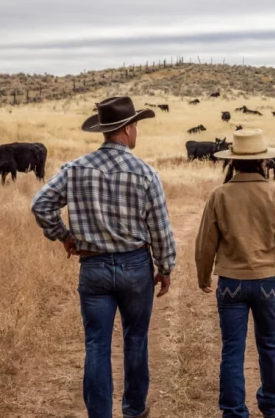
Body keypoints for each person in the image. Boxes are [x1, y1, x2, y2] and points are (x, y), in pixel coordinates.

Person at [31, 96, 176, 418]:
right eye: (135, 125)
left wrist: (65, 236)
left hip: (93, 265)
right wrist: (165, 268)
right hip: (136, 266)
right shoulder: (145, 173)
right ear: (126, 128)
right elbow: (160, 228)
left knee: (96, 344)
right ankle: (134, 410)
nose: (136, 131)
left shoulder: (75, 169)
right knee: (135, 339)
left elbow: (40, 204)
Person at [195, 129, 275, 418]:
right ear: (264, 162)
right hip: (268, 282)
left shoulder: (220, 195)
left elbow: (205, 242)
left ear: (233, 162)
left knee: (232, 349)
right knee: (268, 344)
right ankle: (270, 403)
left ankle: (233, 410)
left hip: (231, 283)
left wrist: (203, 276)